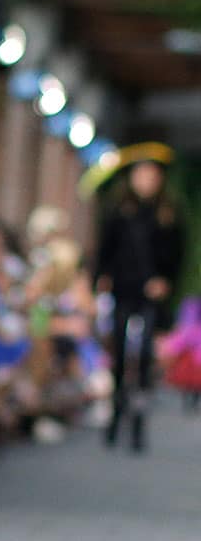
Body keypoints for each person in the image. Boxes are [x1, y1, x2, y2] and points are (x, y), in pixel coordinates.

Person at [95, 147, 183, 451]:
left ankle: (139, 416)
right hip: (123, 288)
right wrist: (101, 278)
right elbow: (104, 248)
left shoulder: (168, 213)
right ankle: (117, 408)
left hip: (150, 293)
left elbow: (177, 255)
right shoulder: (119, 210)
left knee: (144, 353)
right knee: (118, 350)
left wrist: (166, 282)